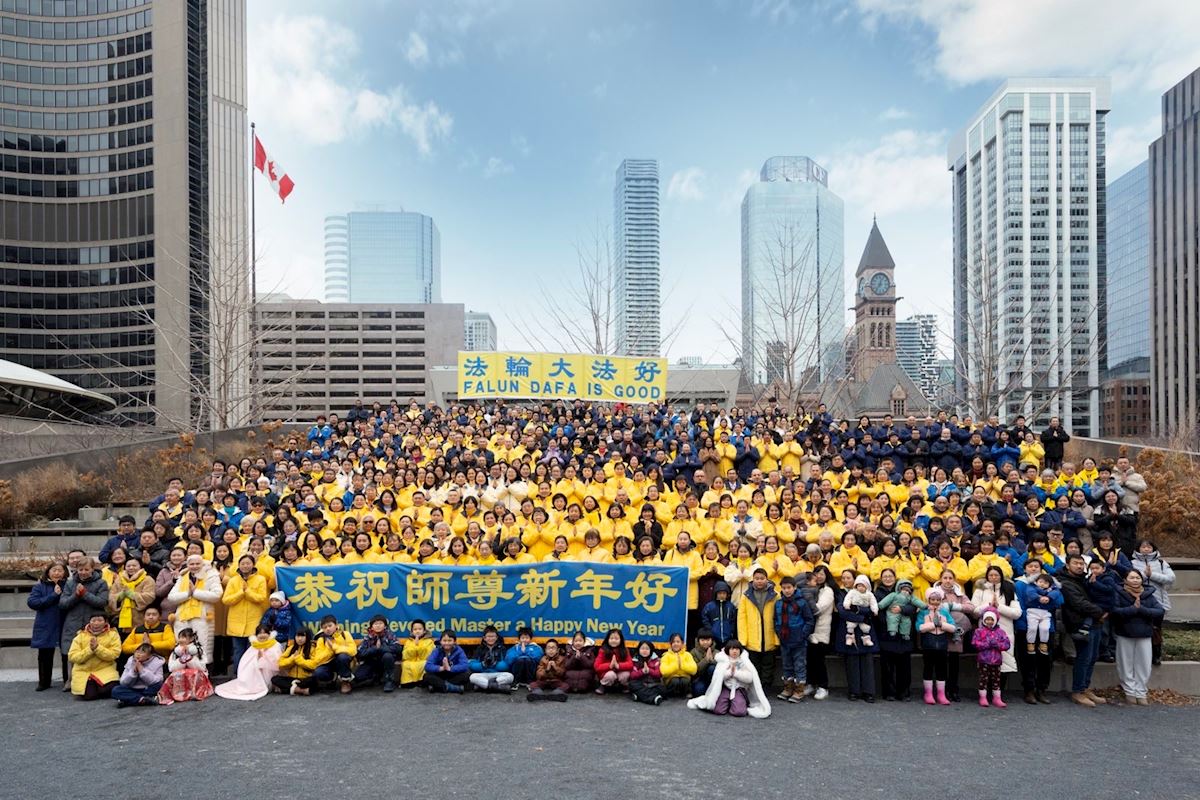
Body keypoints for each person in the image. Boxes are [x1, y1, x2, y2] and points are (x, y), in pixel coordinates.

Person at [1058, 553, 1108, 707]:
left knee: (1092, 657)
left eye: (1081, 563)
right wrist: (1100, 612)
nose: (1079, 566)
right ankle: (1078, 691)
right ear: (1067, 565)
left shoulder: (1085, 579)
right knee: (1083, 658)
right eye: (1076, 563)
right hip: (1079, 623)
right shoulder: (1065, 582)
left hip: (1095, 622)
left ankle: (1085, 687)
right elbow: (1079, 603)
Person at [1110, 570, 1165, 705]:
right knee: (1125, 664)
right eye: (1132, 577)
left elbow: (1159, 611)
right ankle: (1129, 691)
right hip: (1125, 633)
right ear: (1125, 580)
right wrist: (1132, 609)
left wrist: (1142, 610)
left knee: (1144, 664)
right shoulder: (1119, 593)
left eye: (1137, 577)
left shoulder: (1148, 594)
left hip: (1145, 634)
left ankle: (1141, 691)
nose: (1135, 580)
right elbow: (1114, 611)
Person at [58, 557, 109, 692]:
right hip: (73, 622)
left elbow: (102, 602)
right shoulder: (70, 583)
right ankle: (70, 680)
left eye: (86, 569)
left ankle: (92, 681)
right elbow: (63, 603)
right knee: (72, 652)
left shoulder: (101, 583)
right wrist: (76, 595)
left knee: (92, 651)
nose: (83, 572)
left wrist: (85, 594)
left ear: (92, 569)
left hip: (92, 622)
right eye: (80, 569)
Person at [687, 639, 771, 718]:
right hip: (725, 688)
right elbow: (718, 676)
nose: (734, 651)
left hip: (739, 689)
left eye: (737, 649)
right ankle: (729, 702)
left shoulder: (744, 661)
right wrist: (729, 673)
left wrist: (736, 673)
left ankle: (737, 702)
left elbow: (750, 678)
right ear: (728, 650)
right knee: (718, 710)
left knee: (739, 712)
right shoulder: (723, 661)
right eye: (732, 649)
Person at [166, 554, 223, 664]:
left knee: (201, 646)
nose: (195, 566)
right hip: (182, 616)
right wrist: (188, 594)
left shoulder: (211, 575)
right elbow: (171, 597)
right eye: (192, 564)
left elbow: (217, 595)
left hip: (202, 615)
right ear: (187, 565)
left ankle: (202, 669)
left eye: (197, 564)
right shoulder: (183, 576)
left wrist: (195, 593)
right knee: (182, 646)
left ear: (202, 564)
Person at [222, 554, 270, 672]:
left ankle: (251, 675)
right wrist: (240, 593)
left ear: (253, 565)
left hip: (254, 621)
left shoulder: (260, 579)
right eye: (242, 564)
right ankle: (237, 675)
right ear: (238, 565)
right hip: (236, 621)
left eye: (248, 563)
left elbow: (261, 598)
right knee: (238, 651)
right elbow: (226, 600)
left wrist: (247, 591)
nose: (245, 566)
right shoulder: (233, 580)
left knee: (252, 651)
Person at [1131, 539, 1175, 665]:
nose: (1146, 549)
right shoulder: (1132, 563)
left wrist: (1152, 575)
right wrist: (1145, 575)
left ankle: (1156, 655)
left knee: (1156, 629)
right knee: (1140, 629)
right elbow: (1130, 579)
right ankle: (1141, 656)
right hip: (1140, 601)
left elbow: (1171, 578)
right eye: (1143, 547)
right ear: (1138, 549)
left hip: (1159, 602)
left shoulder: (1161, 562)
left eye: (1149, 547)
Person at [773, 575, 813, 702]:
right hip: (785, 639)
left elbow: (809, 620)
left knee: (799, 665)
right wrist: (779, 632)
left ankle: (799, 690)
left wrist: (803, 635)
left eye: (789, 587)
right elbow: (775, 620)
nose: (787, 590)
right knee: (787, 665)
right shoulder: (779, 603)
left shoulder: (801, 602)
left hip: (799, 640)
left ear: (794, 587)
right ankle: (788, 688)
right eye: (784, 588)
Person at [215, 624, 282, 701]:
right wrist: (257, 659)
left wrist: (265, 657)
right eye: (260, 633)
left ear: (269, 634)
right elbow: (247, 661)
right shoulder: (254, 646)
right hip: (257, 671)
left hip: (270, 671)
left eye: (265, 633)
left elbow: (277, 660)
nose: (262, 635)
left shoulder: (274, 644)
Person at [27, 561, 66, 692]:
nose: (57, 573)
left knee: (66, 653)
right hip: (46, 623)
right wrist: (53, 595)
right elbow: (33, 603)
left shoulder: (68, 585)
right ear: (48, 572)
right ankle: (44, 682)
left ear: (65, 572)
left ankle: (67, 680)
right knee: (45, 654)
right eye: (54, 570)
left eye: (60, 570)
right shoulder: (40, 586)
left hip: (64, 622)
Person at [737, 568, 778, 690]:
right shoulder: (746, 596)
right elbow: (741, 619)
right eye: (757, 578)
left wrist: (777, 638)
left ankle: (765, 687)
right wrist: (743, 639)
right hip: (752, 638)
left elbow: (778, 617)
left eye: (762, 578)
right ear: (753, 580)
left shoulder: (775, 595)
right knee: (753, 664)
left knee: (768, 664)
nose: (759, 581)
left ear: (767, 579)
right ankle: (755, 687)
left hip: (769, 636)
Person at [67, 610, 121, 700]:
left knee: (109, 690)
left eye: (100, 620)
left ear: (105, 622)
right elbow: (72, 656)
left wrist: (97, 648)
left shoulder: (113, 635)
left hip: (105, 669)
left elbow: (114, 654)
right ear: (89, 622)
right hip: (84, 671)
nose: (96, 623)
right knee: (90, 696)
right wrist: (90, 650)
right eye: (93, 620)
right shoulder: (80, 636)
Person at [916, 588, 956, 706]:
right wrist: (932, 624)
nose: (935, 602)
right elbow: (919, 627)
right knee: (928, 668)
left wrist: (942, 624)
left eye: (938, 600)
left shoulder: (944, 612)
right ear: (928, 600)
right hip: (928, 645)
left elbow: (953, 627)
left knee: (941, 669)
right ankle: (928, 693)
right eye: (932, 599)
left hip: (942, 645)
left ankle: (941, 694)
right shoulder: (923, 612)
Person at [157, 627, 214, 704]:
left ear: (191, 638)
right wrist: (181, 661)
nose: (181, 640)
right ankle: (178, 694)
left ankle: (195, 693)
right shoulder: (176, 652)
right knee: (175, 675)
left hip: (196, 673)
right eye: (179, 637)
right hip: (180, 673)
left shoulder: (198, 650)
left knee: (194, 673)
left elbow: (202, 667)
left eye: (183, 637)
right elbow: (171, 668)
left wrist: (190, 659)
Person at [971, 608, 1011, 707]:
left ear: (995, 620)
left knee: (996, 680)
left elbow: (1007, 644)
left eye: (992, 619)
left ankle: (997, 698)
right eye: (987, 619)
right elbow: (975, 643)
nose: (989, 622)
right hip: (983, 660)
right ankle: (983, 697)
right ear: (984, 620)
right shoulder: (979, 631)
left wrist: (997, 645)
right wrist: (986, 644)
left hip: (996, 660)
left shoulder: (1000, 632)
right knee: (983, 679)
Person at [352, 614, 400, 692]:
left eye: (380, 623)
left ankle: (389, 680)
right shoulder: (368, 637)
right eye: (376, 624)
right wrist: (374, 649)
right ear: (371, 627)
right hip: (372, 662)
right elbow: (360, 652)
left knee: (387, 656)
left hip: (385, 661)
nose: (378, 626)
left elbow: (397, 648)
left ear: (385, 625)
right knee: (358, 677)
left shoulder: (389, 635)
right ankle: (375, 677)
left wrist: (381, 649)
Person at [311, 614, 357, 694]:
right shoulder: (321, 639)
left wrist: (334, 647)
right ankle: (332, 679)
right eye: (325, 627)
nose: (328, 629)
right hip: (329, 663)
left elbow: (353, 650)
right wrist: (330, 650)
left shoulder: (345, 634)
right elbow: (318, 659)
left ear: (336, 625)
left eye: (330, 626)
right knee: (319, 672)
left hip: (343, 662)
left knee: (342, 657)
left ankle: (345, 682)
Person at [112, 643, 165, 707]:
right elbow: (123, 682)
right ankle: (142, 699)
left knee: (160, 685)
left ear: (150, 655)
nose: (138, 654)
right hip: (132, 689)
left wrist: (142, 671)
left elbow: (158, 680)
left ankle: (130, 700)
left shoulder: (157, 662)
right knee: (116, 690)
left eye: (142, 652)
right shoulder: (131, 660)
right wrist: (133, 673)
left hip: (147, 689)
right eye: (137, 652)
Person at [273, 628, 322, 696]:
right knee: (275, 679)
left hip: (305, 679)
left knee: (313, 680)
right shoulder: (291, 648)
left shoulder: (312, 648)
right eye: (297, 636)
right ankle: (300, 690)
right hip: (292, 678)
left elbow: (314, 665)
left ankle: (287, 689)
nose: (299, 639)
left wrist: (299, 659)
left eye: (302, 636)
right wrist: (292, 659)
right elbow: (280, 663)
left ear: (307, 637)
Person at [1022, 574, 1062, 656]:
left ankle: (1043, 643)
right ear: (1036, 581)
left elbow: (1056, 593)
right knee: (1032, 628)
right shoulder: (1031, 586)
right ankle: (1030, 643)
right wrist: (1038, 598)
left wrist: (1049, 597)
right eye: (1040, 582)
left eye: (1046, 583)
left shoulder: (1053, 590)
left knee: (1045, 628)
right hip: (1032, 612)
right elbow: (1030, 593)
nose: (1042, 584)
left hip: (1045, 613)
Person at [468, 625, 514, 693]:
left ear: (496, 637)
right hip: (484, 673)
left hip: (497, 674)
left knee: (510, 676)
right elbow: (472, 664)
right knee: (472, 677)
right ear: (484, 638)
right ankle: (497, 687)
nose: (491, 638)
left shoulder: (502, 648)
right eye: (489, 636)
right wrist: (482, 664)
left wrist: (496, 664)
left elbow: (507, 665)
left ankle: (482, 687)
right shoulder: (480, 649)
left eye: (493, 636)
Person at [593, 628, 634, 694]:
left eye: (616, 639)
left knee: (626, 674)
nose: (614, 641)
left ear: (621, 640)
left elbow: (630, 664)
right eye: (611, 638)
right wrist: (610, 665)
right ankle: (603, 685)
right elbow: (596, 666)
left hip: (619, 672)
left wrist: (618, 665)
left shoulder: (625, 650)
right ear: (607, 639)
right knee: (611, 675)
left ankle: (623, 686)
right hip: (607, 673)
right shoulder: (603, 650)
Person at [841, 574, 878, 647]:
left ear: (867, 586)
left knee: (865, 627)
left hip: (864, 613)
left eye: (863, 586)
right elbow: (848, 598)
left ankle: (866, 639)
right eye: (859, 586)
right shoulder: (852, 592)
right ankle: (850, 637)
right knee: (850, 625)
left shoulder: (870, 594)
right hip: (853, 612)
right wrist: (846, 605)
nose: (861, 588)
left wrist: (875, 610)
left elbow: (873, 603)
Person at [659, 632, 697, 697]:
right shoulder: (666, 655)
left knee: (685, 680)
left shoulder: (687, 655)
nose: (676, 644)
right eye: (673, 642)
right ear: (670, 644)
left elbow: (694, 670)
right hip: (671, 679)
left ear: (682, 643)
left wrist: (682, 665)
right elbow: (664, 672)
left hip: (685, 678)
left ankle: (686, 693)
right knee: (675, 680)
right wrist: (676, 665)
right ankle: (672, 695)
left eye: (678, 642)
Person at [628, 640, 665, 705]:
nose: (644, 651)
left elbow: (658, 674)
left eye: (647, 649)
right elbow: (632, 675)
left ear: (651, 650)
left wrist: (649, 671)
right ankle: (653, 698)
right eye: (642, 648)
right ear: (639, 650)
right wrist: (642, 671)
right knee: (632, 684)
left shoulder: (655, 660)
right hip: (641, 684)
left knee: (663, 689)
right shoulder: (635, 660)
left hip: (653, 684)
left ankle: (639, 696)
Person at [401, 619, 435, 687]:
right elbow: (405, 655)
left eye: (420, 629)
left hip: (423, 660)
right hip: (411, 661)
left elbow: (428, 655)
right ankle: (408, 683)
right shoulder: (408, 641)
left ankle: (422, 681)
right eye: (415, 629)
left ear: (424, 631)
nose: (417, 631)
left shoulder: (429, 641)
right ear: (412, 631)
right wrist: (414, 645)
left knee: (425, 664)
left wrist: (418, 646)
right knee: (405, 664)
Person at [689, 629, 718, 698]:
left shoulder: (717, 652)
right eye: (702, 640)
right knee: (699, 691)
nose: (705, 642)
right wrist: (706, 660)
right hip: (699, 678)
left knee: (712, 668)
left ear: (712, 640)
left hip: (713, 680)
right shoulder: (693, 652)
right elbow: (695, 670)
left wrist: (712, 660)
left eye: (708, 640)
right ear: (698, 640)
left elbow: (721, 668)